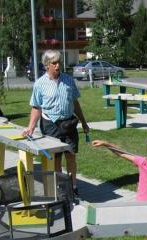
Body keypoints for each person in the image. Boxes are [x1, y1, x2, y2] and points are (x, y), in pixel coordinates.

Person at [22, 50, 90, 195]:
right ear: (47, 65)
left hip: (69, 123)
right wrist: (31, 127)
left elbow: (75, 102)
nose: (58, 65)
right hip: (51, 125)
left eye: (59, 62)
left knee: (71, 155)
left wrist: (84, 122)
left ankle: (73, 186)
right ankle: (60, 187)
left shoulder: (68, 80)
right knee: (56, 159)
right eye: (54, 63)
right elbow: (36, 107)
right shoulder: (40, 84)